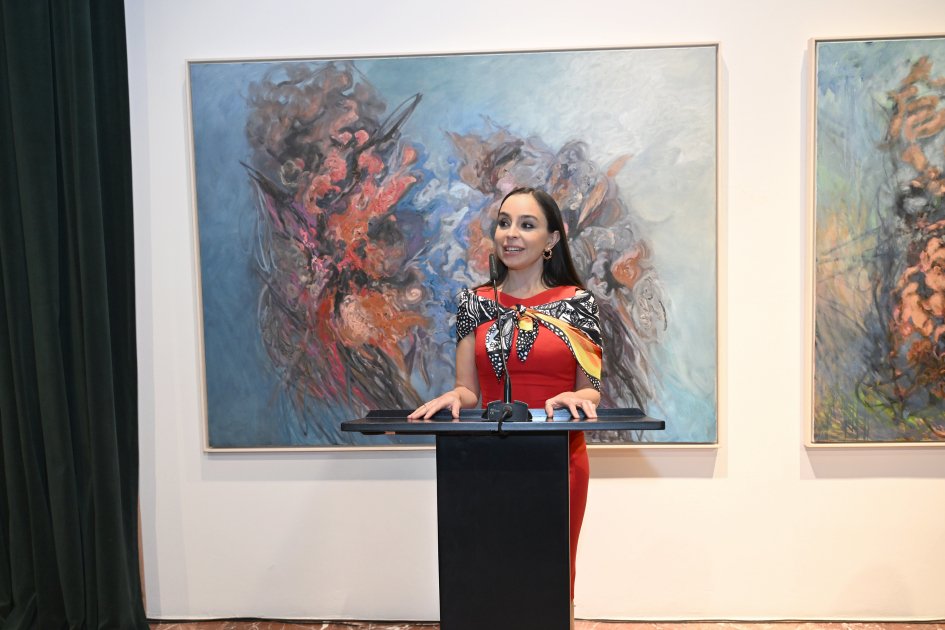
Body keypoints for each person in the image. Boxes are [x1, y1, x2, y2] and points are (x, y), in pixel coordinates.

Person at [408, 186, 603, 621]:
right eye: (503, 223)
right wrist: (452, 397)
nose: (511, 234)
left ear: (552, 239)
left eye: (527, 225)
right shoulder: (475, 303)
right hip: (483, 462)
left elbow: (591, 389)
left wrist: (575, 397)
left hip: (559, 461)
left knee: (549, 577)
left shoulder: (577, 304)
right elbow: (467, 390)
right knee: (486, 576)